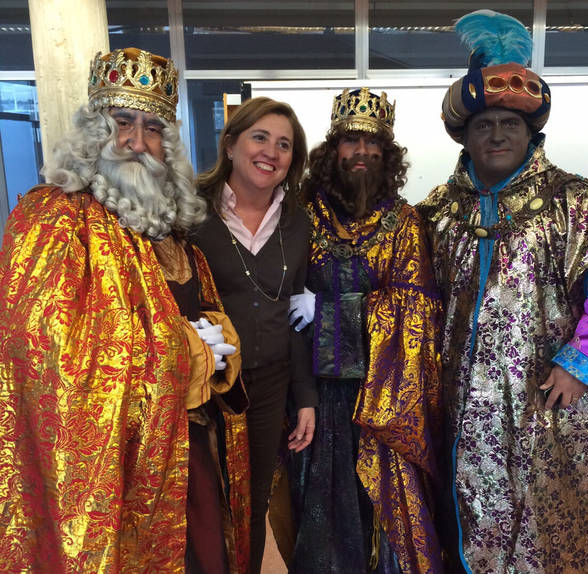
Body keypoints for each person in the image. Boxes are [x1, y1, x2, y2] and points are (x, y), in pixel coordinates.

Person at [0, 47, 250, 573]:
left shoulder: (172, 232)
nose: (137, 142)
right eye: (123, 122)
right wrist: (183, 351)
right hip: (117, 472)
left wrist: (219, 346)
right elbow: (47, 355)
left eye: (153, 127)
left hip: (190, 449)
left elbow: (198, 315)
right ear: (95, 130)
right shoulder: (53, 222)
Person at [417, 10, 588, 574]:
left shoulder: (572, 199)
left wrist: (583, 364)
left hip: (551, 405)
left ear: (530, 133)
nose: (497, 135)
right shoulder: (437, 214)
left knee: (550, 529)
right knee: (466, 519)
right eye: (485, 124)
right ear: (464, 135)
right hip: (462, 410)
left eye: (509, 125)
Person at [288, 87, 444, 574]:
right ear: (333, 151)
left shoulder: (404, 222)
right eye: (351, 142)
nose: (362, 153)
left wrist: (333, 311)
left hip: (381, 398)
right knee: (316, 513)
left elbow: (417, 311)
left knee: (382, 515)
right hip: (314, 391)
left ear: (387, 154)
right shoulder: (303, 213)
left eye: (373, 144)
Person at [195, 97, 317, 574]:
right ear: (230, 144)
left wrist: (304, 396)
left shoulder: (299, 222)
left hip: (268, 389)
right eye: (260, 137)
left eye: (284, 144)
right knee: (203, 504)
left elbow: (298, 317)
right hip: (203, 389)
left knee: (253, 505)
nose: (271, 151)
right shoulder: (190, 214)